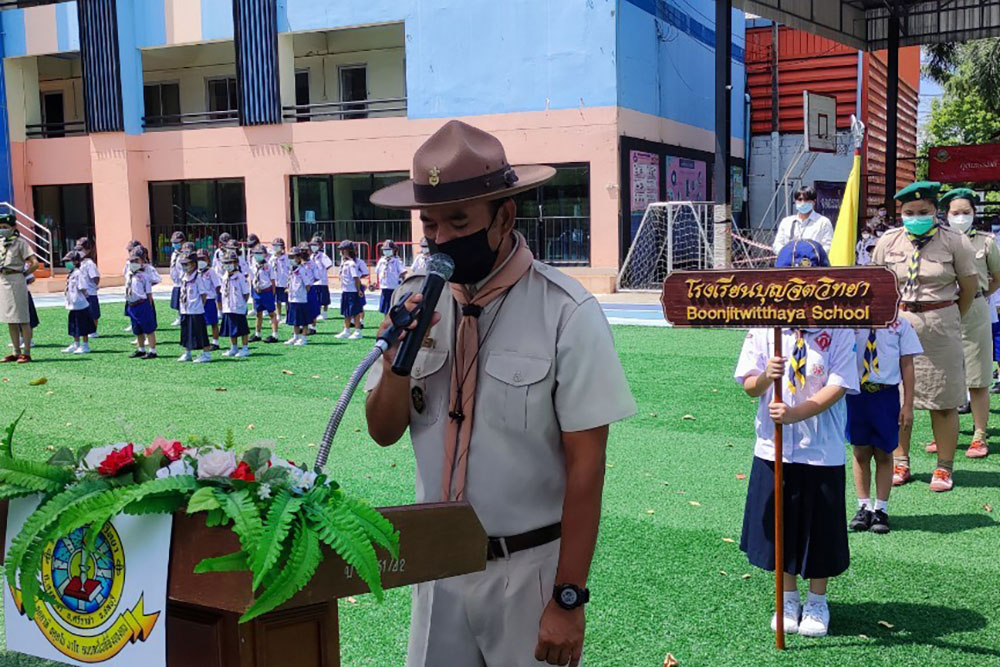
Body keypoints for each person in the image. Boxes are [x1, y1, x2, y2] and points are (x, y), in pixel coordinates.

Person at [365, 120, 636, 666]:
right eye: (430, 224)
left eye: (459, 221)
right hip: (436, 568)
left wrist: (568, 597)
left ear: (504, 216)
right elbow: (383, 431)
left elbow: (588, 468)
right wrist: (396, 364)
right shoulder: (414, 302)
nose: (441, 239)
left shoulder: (566, 312)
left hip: (528, 571)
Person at [735, 240, 858, 638]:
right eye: (791, 281)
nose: (800, 291)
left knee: (820, 528)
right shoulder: (765, 327)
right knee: (780, 525)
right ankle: (787, 597)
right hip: (774, 448)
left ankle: (818, 601)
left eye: (810, 281)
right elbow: (748, 385)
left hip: (821, 449)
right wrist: (765, 378)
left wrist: (796, 413)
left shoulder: (839, 326)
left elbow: (839, 384)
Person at [871, 182, 978, 492]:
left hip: (939, 326)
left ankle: (944, 466)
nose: (916, 217)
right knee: (896, 397)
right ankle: (900, 461)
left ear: (935, 211)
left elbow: (969, 288)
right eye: (909, 212)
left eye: (923, 211)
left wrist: (948, 314)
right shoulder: (888, 241)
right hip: (897, 326)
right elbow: (876, 282)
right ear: (901, 213)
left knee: (943, 399)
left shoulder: (955, 241)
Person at [936, 188, 1000, 459]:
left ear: (974, 213)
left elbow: (996, 277)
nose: (960, 217)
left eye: (966, 212)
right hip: (943, 310)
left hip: (974, 311)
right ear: (946, 215)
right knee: (945, 375)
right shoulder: (937, 241)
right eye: (955, 212)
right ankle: (945, 434)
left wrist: (978, 296)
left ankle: (979, 435)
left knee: (977, 376)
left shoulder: (987, 242)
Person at [847, 318, 922, 535]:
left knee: (884, 452)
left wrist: (908, 405)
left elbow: (907, 364)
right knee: (860, 450)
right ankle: (863, 506)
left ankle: (881, 508)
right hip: (857, 393)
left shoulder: (899, 324)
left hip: (885, 395)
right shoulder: (852, 321)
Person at [1, 213, 39, 363]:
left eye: (5, 227)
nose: (2, 230)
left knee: (22, 318)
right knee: (10, 318)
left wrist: (24, 274)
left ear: (13, 227)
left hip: (16, 279)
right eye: (0, 227)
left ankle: (26, 352)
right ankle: (15, 351)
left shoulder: (21, 243)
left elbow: (34, 262)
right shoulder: (1, 243)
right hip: (3, 280)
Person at [771, 186, 834, 254]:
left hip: (813, 259)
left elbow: (828, 247)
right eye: (800, 199)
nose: (803, 203)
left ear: (814, 201)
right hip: (789, 259)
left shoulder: (823, 222)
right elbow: (777, 245)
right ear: (795, 201)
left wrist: (811, 255)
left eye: (806, 200)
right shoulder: (786, 222)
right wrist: (788, 254)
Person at [177, 250, 212, 363]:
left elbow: (203, 294)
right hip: (185, 309)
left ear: (193, 264)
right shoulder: (184, 276)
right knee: (186, 332)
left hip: (196, 310)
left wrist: (199, 305)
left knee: (200, 332)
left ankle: (206, 354)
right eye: (183, 264)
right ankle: (188, 353)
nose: (184, 266)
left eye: (186, 264)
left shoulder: (198, 277)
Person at [125, 247, 159, 360]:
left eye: (136, 261)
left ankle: (152, 350)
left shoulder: (144, 276)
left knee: (148, 328)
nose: (133, 263)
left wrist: (149, 305)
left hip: (142, 303)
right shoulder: (129, 274)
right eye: (131, 261)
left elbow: (148, 293)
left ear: (142, 262)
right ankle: (141, 349)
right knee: (137, 329)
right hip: (132, 304)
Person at [61, 250, 96, 355]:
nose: (67, 263)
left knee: (83, 326)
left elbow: (82, 287)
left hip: (80, 304)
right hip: (73, 305)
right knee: (74, 325)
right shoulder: (71, 273)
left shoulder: (78, 273)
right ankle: (76, 343)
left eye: (69, 261)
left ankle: (85, 345)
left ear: (76, 261)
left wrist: (86, 296)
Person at [219, 249, 252, 358]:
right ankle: (234, 347)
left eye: (230, 263)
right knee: (231, 328)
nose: (227, 265)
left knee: (242, 329)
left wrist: (242, 303)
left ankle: (245, 348)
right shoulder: (224, 276)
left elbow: (246, 293)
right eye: (225, 263)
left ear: (236, 263)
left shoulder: (240, 276)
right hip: (227, 307)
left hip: (238, 307)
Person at [249, 245, 279, 343]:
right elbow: (252, 279)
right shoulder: (253, 265)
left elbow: (272, 280)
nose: (257, 256)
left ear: (265, 254)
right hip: (257, 291)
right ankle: (257, 333)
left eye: (260, 253)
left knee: (271, 313)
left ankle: (275, 335)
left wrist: (273, 293)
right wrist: (252, 290)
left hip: (267, 291)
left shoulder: (268, 266)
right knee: (258, 313)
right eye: (256, 253)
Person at [335, 240, 363, 340]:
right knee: (346, 312)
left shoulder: (351, 264)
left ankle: (357, 331)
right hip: (345, 290)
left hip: (352, 291)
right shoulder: (344, 263)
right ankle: (346, 330)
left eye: (343, 250)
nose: (341, 252)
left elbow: (356, 278)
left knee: (355, 312)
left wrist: (358, 290)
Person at [284, 247, 311, 346]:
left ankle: (303, 338)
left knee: (303, 320)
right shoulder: (291, 269)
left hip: (301, 299)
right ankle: (295, 336)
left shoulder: (302, 270)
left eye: (293, 257)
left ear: (299, 258)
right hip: (292, 298)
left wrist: (301, 292)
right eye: (290, 257)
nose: (291, 259)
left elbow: (307, 285)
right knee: (295, 320)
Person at [196, 249, 222, 351]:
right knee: (201, 322)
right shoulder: (196, 272)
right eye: (199, 259)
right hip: (199, 300)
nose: (201, 261)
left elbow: (217, 286)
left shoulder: (211, 271)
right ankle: (203, 341)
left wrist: (215, 296)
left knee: (213, 322)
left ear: (207, 259)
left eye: (203, 258)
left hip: (209, 300)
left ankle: (215, 342)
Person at [75, 237, 101, 338]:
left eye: (80, 249)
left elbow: (95, 277)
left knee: (93, 312)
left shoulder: (89, 263)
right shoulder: (78, 263)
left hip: (90, 292)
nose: (78, 252)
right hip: (81, 293)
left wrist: (93, 286)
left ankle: (93, 331)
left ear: (88, 250)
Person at [308, 235, 334, 321]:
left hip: (322, 281)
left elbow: (328, 265)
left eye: (315, 245)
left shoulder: (322, 256)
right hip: (314, 281)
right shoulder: (311, 256)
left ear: (320, 245)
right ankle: (318, 313)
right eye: (312, 245)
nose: (313, 247)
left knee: (324, 299)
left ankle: (325, 313)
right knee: (316, 298)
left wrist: (322, 272)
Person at [375, 239, 404, 314]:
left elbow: (403, 272)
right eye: (385, 250)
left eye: (388, 250)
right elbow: (377, 271)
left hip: (393, 287)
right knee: (385, 308)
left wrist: (399, 279)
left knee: (393, 307)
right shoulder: (382, 261)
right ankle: (386, 319)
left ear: (394, 250)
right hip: (384, 287)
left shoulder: (396, 261)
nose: (386, 251)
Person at [168, 231, 187, 327]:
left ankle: (184, 317)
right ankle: (180, 316)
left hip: (184, 281)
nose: (175, 244)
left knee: (184, 300)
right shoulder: (174, 254)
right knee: (177, 302)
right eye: (173, 242)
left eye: (177, 242)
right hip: (176, 282)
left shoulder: (185, 254)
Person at [270, 237, 289, 319]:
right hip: (276, 283)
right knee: (278, 301)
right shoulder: (272, 258)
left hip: (285, 282)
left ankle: (288, 315)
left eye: (278, 246)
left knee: (287, 300)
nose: (276, 248)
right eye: (275, 246)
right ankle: (279, 315)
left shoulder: (286, 258)